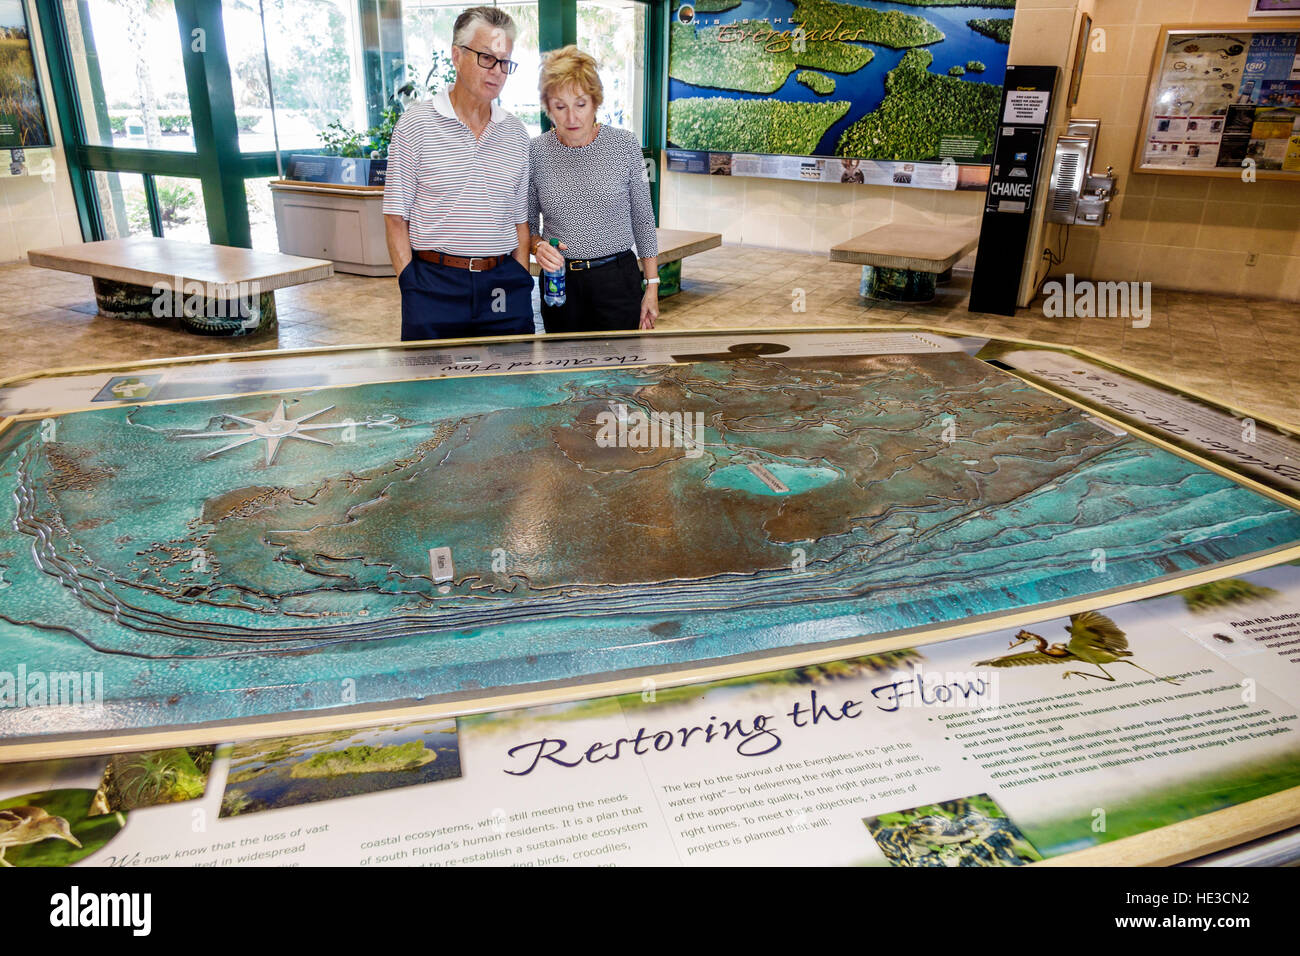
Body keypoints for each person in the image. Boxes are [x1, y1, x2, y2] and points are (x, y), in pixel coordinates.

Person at [383, 6, 534, 341]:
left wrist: (520, 275)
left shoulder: (516, 133)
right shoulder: (415, 125)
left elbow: (520, 220)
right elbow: (395, 217)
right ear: (456, 55)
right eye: (486, 58)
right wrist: (411, 286)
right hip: (434, 285)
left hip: (502, 284)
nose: (497, 71)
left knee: (513, 386)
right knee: (433, 388)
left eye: (505, 62)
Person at [528, 45, 659, 334]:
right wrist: (537, 247)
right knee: (565, 372)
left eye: (581, 104)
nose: (571, 118)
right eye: (560, 107)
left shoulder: (624, 145)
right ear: (547, 107)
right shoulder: (535, 151)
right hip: (559, 283)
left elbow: (644, 221)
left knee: (619, 372)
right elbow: (526, 226)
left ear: (596, 102)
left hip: (617, 279)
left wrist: (651, 286)